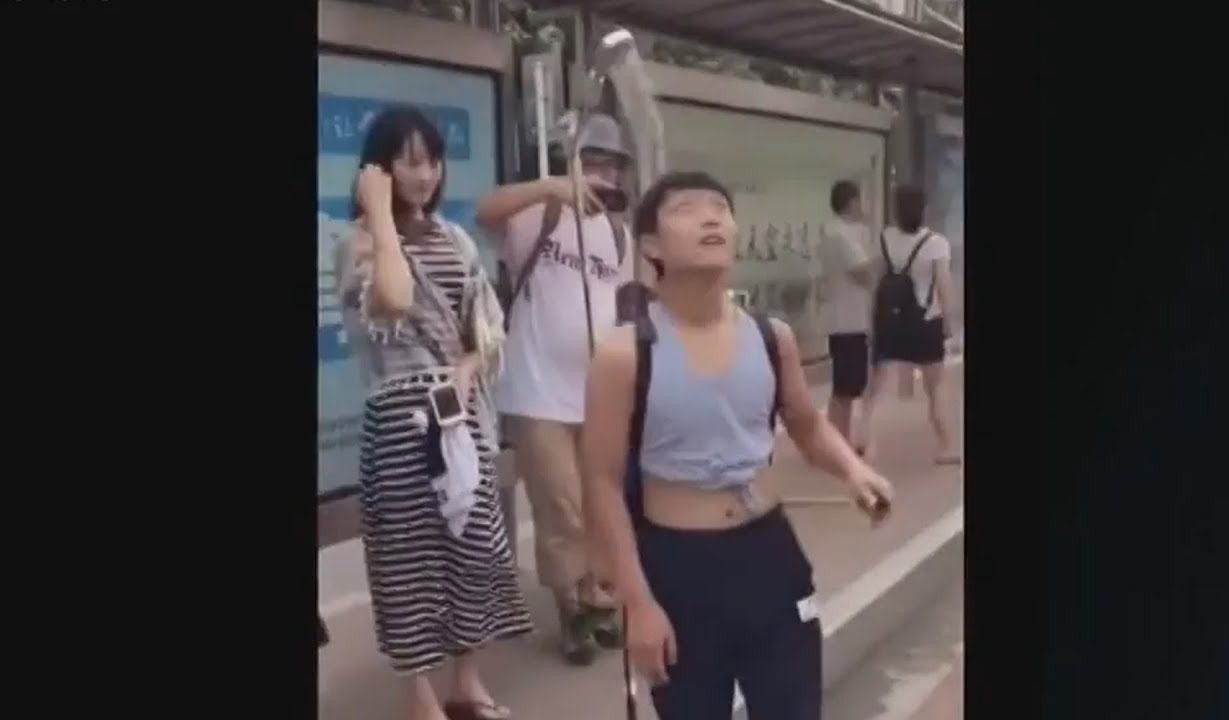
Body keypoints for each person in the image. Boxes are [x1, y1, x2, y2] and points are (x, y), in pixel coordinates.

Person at [580, 171, 895, 720]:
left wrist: (852, 471)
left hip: (770, 557)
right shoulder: (624, 355)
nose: (710, 217)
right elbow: (601, 484)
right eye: (686, 209)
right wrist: (639, 604)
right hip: (679, 568)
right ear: (651, 245)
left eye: (720, 209)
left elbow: (805, 423)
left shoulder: (772, 337)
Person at [336, 106, 532, 720]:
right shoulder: (360, 243)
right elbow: (390, 301)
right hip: (398, 425)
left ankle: (466, 683)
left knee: (475, 552)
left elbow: (489, 327)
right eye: (409, 161)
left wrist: (470, 369)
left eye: (432, 161)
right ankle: (419, 697)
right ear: (379, 169)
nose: (424, 175)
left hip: (461, 419)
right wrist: (378, 215)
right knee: (406, 563)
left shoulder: (456, 239)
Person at [475, 113, 633, 666]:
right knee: (561, 504)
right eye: (592, 162)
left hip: (596, 392)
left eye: (611, 165)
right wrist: (551, 189)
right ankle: (570, 609)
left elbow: (625, 302)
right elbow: (484, 209)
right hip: (537, 390)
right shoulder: (535, 217)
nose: (602, 174)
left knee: (597, 502)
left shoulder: (618, 232)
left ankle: (596, 598)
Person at [860, 184, 960, 464]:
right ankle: (946, 447)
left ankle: (868, 445)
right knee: (935, 388)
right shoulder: (936, 243)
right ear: (924, 209)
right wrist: (948, 324)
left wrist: (873, 319)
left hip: (890, 321)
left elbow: (877, 282)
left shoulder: (885, 238)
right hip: (926, 323)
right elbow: (943, 285)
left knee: (877, 389)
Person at [818, 180, 876, 454]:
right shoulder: (842, 236)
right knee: (846, 387)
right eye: (860, 200)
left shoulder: (833, 232)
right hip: (849, 320)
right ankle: (837, 443)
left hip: (841, 317)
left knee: (844, 386)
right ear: (851, 202)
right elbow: (863, 274)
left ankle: (838, 440)